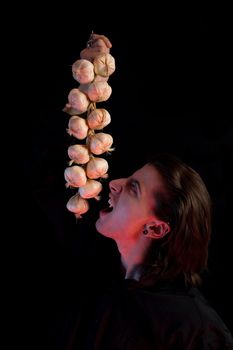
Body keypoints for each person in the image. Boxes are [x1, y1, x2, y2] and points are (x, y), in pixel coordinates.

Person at [57, 152, 232, 350]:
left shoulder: (196, 332)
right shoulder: (91, 282)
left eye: (133, 188)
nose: (114, 182)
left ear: (155, 229)